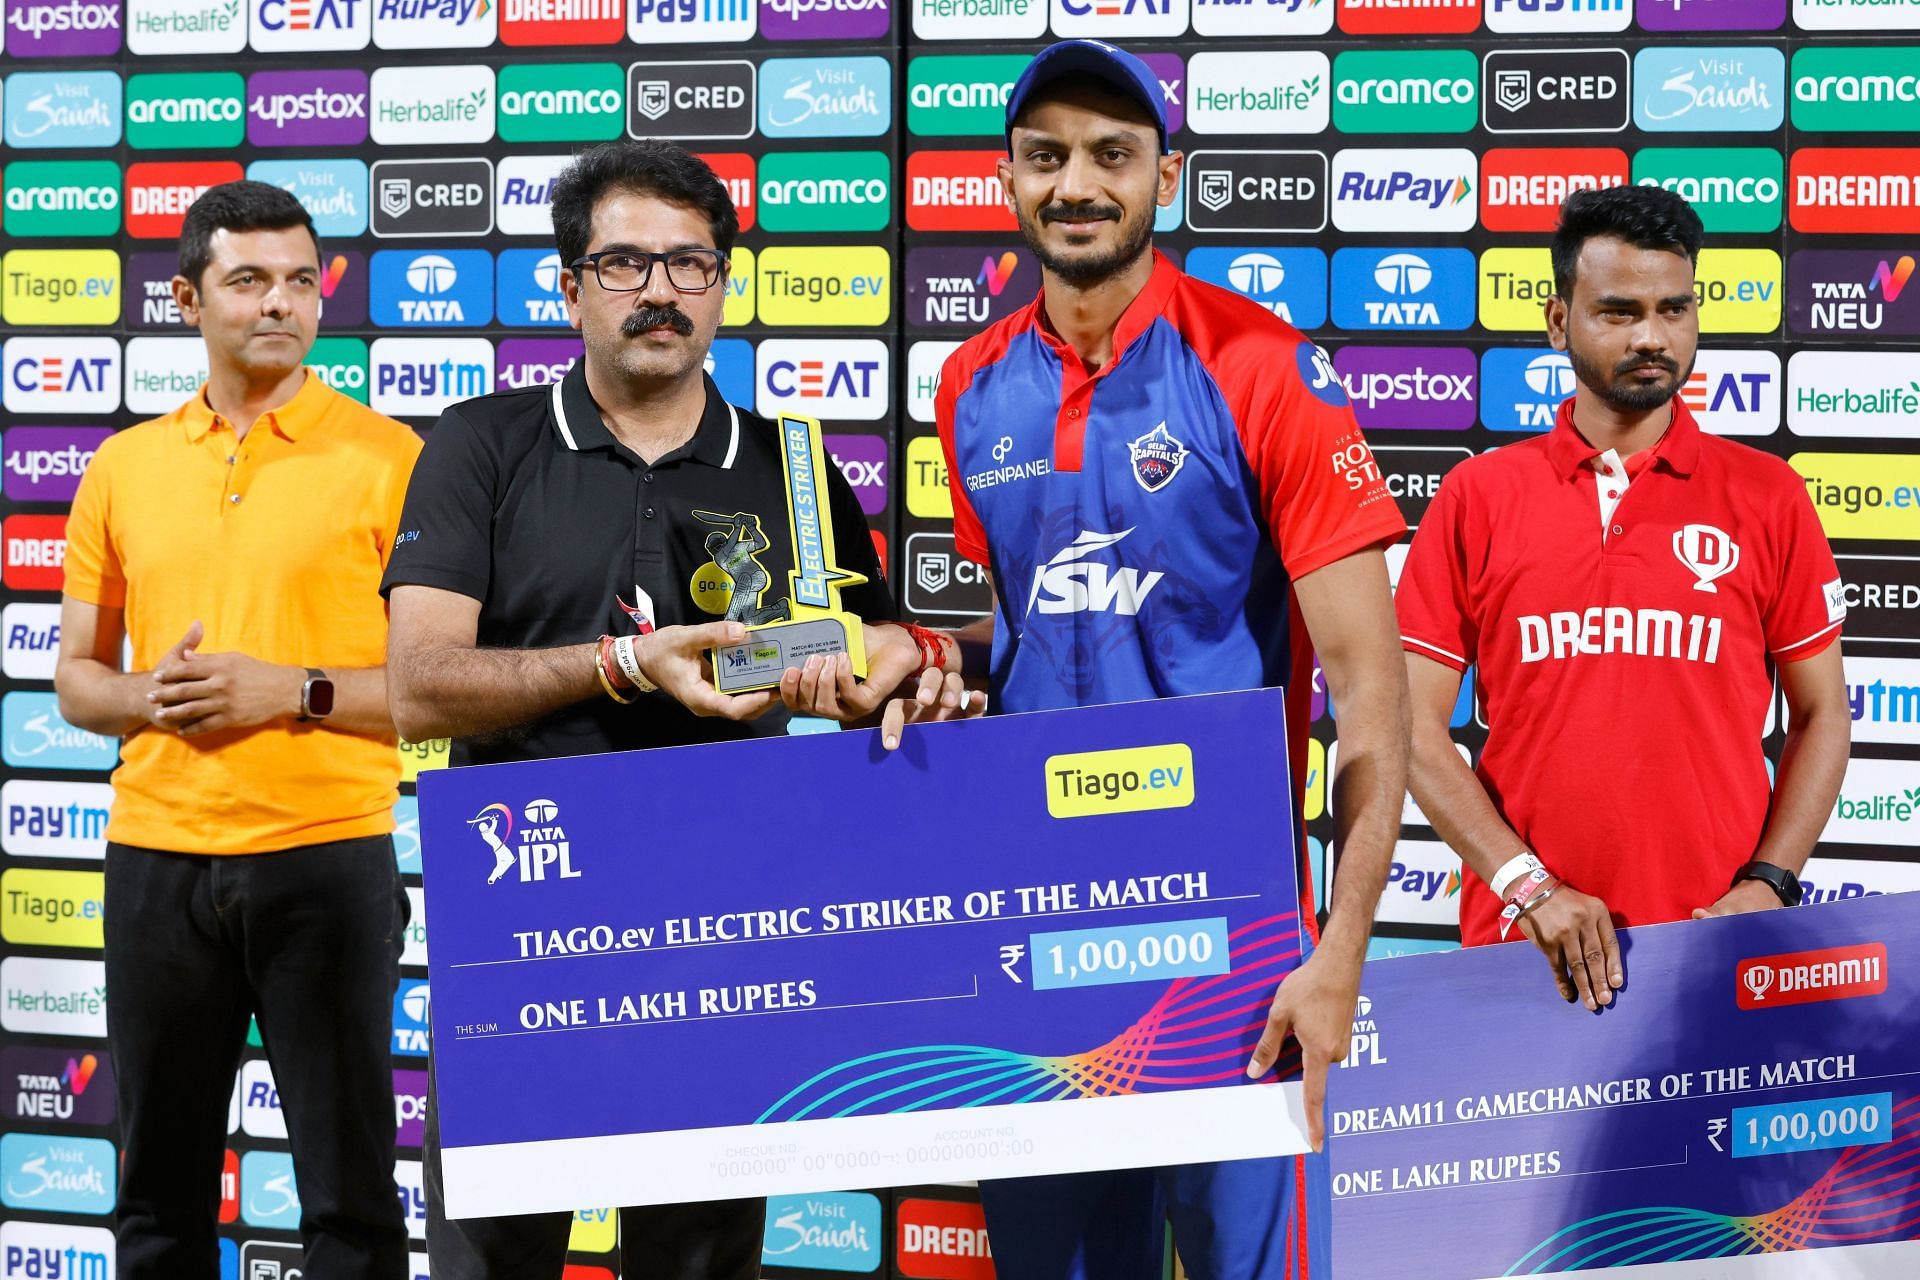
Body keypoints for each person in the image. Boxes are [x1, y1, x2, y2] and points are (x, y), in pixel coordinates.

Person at [890, 38, 1412, 1280]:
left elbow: (1376, 698)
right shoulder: (971, 382)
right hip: (1043, 926)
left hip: (1236, 947)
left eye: (1112, 156)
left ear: (1163, 178)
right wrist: (920, 658)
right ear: (1009, 179)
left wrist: (1337, 951)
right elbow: (1030, 630)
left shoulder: (1263, 367)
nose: (1078, 184)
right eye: (1046, 157)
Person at [381, 139, 934, 1279]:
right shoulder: (480, 444)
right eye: (625, 263)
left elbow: (866, 644)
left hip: (723, 945)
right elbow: (418, 683)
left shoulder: (794, 466)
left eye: (691, 264)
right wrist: (627, 662)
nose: (661, 292)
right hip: (523, 944)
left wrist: (900, 659)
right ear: (570, 284)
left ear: (724, 283)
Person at [54, 181, 419, 1278]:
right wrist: (150, 697)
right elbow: (78, 681)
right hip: (157, 858)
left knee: (351, 1205)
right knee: (156, 1198)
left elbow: (432, 686)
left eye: (302, 280)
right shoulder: (123, 465)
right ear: (185, 299)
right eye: (249, 279)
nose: (281, 303)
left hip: (327, 857)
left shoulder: (393, 457)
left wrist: (289, 690)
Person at [1395, 185, 1851, 1006]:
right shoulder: (1477, 496)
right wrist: (1528, 888)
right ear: (1556, 320)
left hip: (1715, 946)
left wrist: (1771, 884)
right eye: (1617, 311)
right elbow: (1413, 728)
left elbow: (1823, 714)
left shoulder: (1769, 496)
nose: (1652, 336)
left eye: (1674, 309)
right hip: (1523, 944)